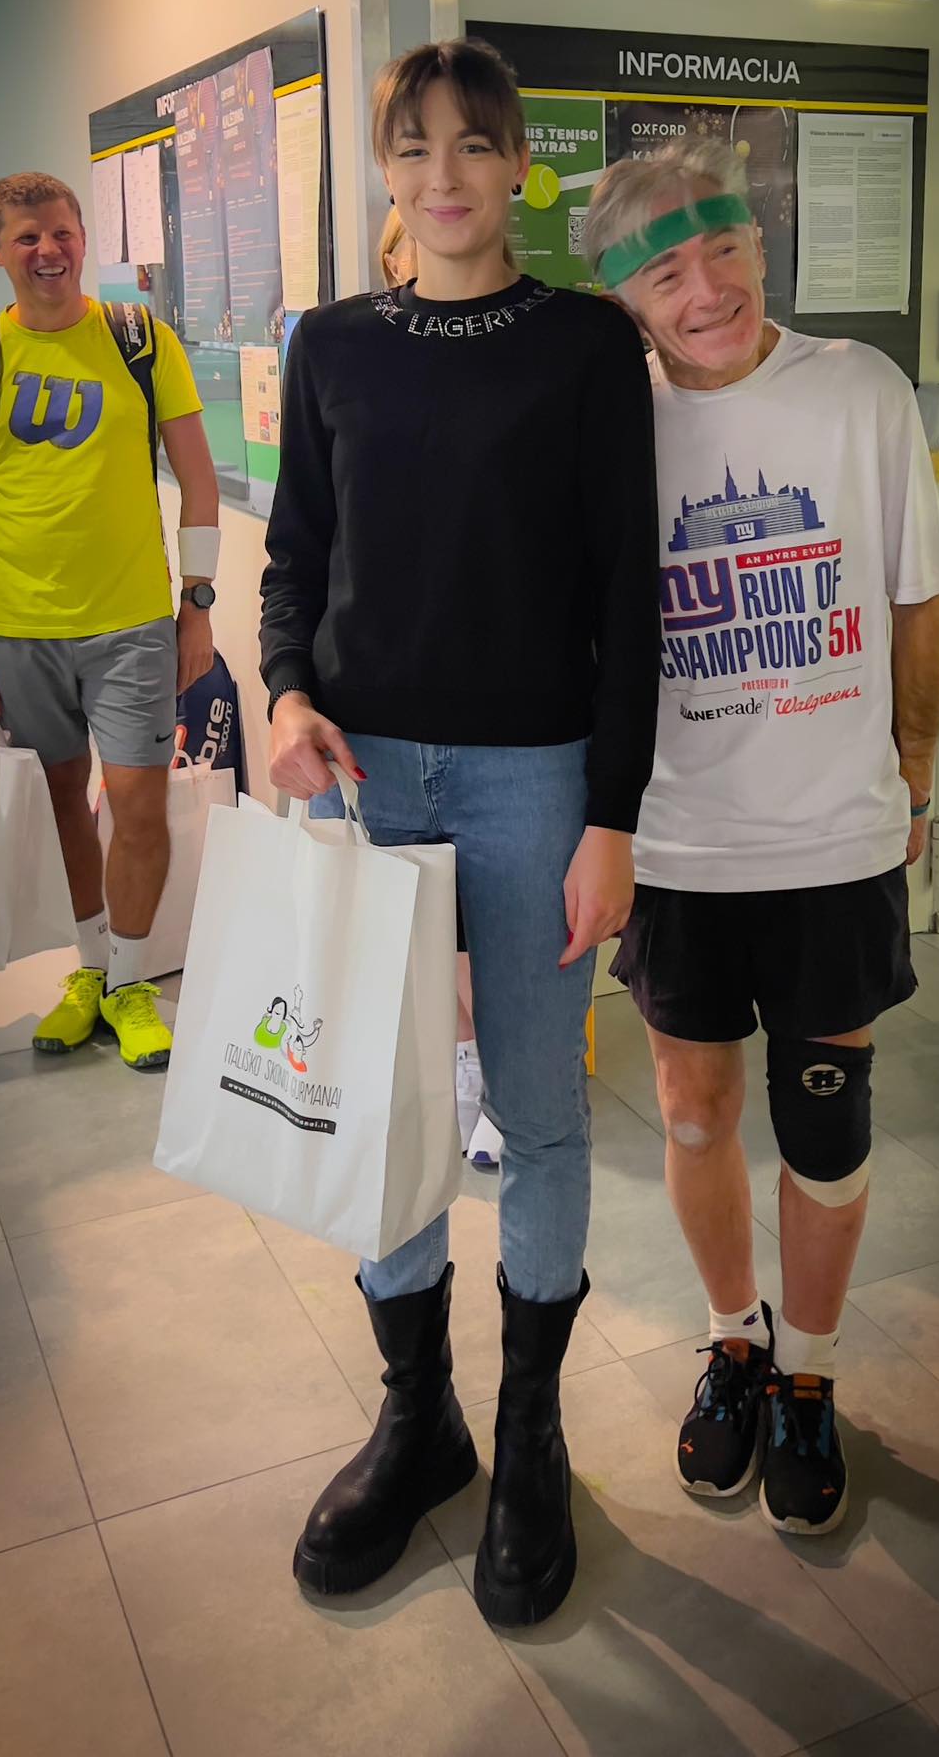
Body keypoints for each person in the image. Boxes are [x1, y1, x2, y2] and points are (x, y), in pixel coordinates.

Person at [261, 37, 659, 1626]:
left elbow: (629, 597)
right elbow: (297, 556)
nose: (444, 175)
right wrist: (286, 694)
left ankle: (532, 1435)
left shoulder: (583, 345)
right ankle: (419, 1418)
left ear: (518, 169)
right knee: (387, 1111)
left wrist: (611, 816)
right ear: (386, 170)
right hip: (365, 778)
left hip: (532, 780)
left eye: (474, 145)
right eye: (415, 147)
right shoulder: (331, 345)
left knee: (542, 1120)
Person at [583, 137, 939, 1535]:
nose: (706, 292)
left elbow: (921, 597)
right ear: (625, 299)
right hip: (678, 843)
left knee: (825, 1125)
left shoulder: (859, 389)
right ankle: (734, 1339)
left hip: (834, 842)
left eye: (723, 250)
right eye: (665, 274)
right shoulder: (611, 425)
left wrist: (914, 775)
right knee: (690, 1110)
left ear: (758, 243)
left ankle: (809, 1368)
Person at [0, 171, 220, 1069]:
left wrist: (197, 607)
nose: (48, 251)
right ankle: (91, 972)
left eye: (61, 233)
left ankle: (132, 984)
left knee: (138, 805)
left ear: (82, 239)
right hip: (18, 627)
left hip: (132, 622)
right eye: (26, 238)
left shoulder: (140, 340)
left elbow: (199, 484)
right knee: (64, 802)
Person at [377, 205, 503, 1171]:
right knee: (432, 932)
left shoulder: (533, 358)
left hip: (510, 715)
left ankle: (496, 1070)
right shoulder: (350, 358)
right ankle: (462, 1064)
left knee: (498, 925)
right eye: (401, 256)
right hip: (390, 713)